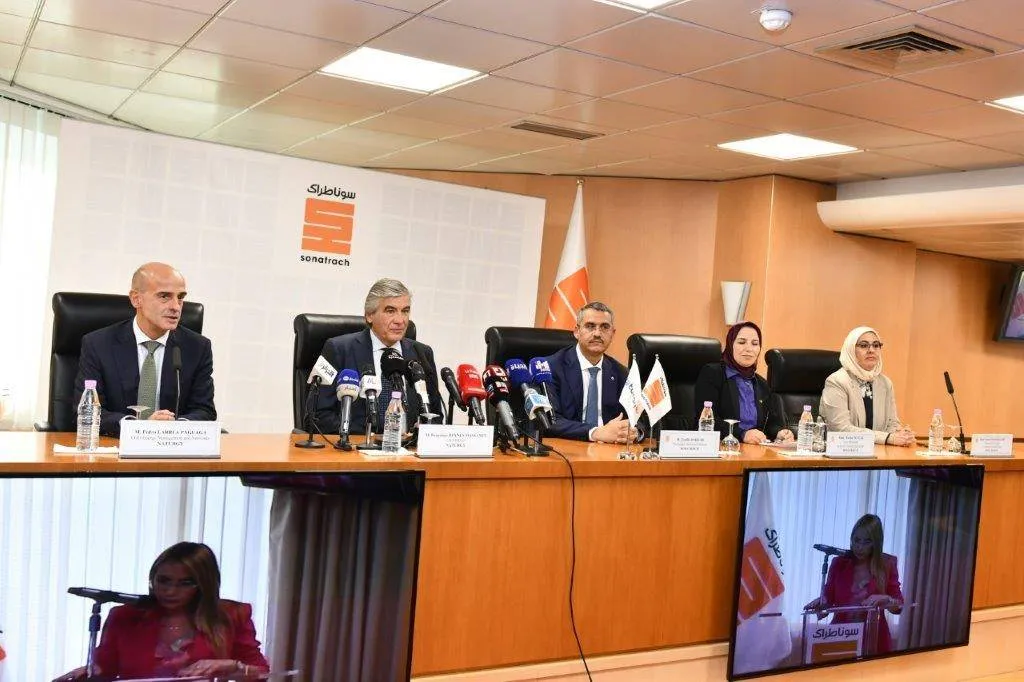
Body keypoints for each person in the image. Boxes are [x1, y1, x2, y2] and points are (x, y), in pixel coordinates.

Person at [52, 542, 269, 680]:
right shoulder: (125, 616)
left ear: (204, 584)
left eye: (185, 583)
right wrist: (86, 673)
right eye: (163, 580)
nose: (170, 591)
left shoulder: (231, 615)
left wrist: (232, 666)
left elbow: (262, 673)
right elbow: (105, 669)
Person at [74, 263, 216, 437]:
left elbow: (204, 410)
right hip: (116, 446)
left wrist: (175, 427)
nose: (176, 307)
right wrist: (139, 427)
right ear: (136, 299)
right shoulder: (98, 344)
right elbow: (87, 411)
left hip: (172, 447)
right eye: (164, 296)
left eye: (180, 297)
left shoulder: (197, 347)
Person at [315, 278, 444, 435]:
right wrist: (371, 437)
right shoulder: (337, 349)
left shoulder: (422, 353)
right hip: (357, 446)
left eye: (405, 311)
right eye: (390, 311)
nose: (400, 320)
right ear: (370, 315)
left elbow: (435, 414)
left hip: (408, 447)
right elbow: (317, 415)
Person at [804, 514, 904, 655]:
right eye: (857, 540)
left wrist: (885, 598)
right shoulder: (839, 563)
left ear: (876, 543)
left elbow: (898, 606)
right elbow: (828, 596)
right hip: (841, 636)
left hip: (874, 639)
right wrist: (821, 602)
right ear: (851, 539)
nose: (860, 547)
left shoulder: (887, 564)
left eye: (867, 542)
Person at [546, 302, 639, 444]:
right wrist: (595, 433)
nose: (597, 333)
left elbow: (639, 420)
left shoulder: (621, 373)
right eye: (590, 326)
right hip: (568, 447)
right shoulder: (551, 368)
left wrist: (633, 432)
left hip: (609, 450)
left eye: (605, 327)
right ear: (577, 331)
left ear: (613, 334)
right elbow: (549, 420)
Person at [693, 321, 794, 444]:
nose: (749, 349)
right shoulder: (712, 374)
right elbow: (707, 420)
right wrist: (742, 434)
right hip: (721, 447)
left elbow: (770, 424)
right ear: (730, 345)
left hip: (754, 449)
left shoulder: (762, 384)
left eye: (755, 344)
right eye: (741, 342)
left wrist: (779, 432)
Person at [820, 326, 915, 446]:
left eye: (876, 345)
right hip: (845, 451)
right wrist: (887, 438)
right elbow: (841, 429)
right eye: (864, 345)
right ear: (851, 350)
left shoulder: (885, 383)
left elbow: (892, 423)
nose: (871, 350)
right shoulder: (837, 381)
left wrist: (900, 433)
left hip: (879, 451)